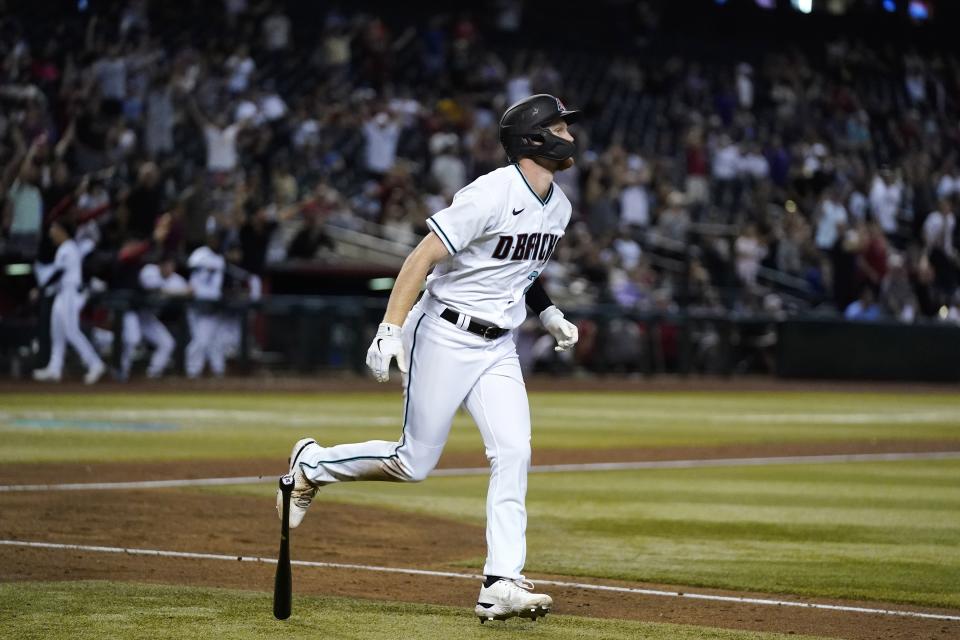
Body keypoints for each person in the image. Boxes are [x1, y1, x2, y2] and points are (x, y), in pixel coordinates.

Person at [278, 95, 582, 623]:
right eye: (561, 126)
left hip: (498, 346)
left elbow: (518, 270)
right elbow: (422, 257)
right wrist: (390, 329)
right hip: (443, 333)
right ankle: (312, 464)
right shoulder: (489, 193)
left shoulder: (559, 206)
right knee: (413, 463)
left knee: (514, 452)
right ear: (536, 138)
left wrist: (549, 311)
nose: (571, 135)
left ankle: (501, 582)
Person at [32, 220, 106, 384]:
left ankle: (95, 363)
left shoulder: (69, 248)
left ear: (62, 230)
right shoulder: (63, 248)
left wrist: (41, 288)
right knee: (57, 332)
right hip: (61, 293)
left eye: (54, 229)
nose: (52, 233)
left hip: (70, 293)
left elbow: (58, 273)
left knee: (71, 331)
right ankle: (54, 368)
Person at [120, 257, 190, 380]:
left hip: (148, 317)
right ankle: (121, 372)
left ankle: (153, 374)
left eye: (171, 265)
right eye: (166, 265)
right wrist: (176, 292)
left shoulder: (175, 279)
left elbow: (190, 291)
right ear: (159, 265)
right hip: (134, 312)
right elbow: (153, 288)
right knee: (133, 340)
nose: (169, 268)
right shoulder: (149, 271)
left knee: (167, 343)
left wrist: (175, 291)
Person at [185, 236, 226, 378]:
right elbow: (189, 267)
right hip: (196, 303)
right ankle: (193, 372)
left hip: (212, 305)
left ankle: (217, 371)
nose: (214, 241)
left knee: (214, 340)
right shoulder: (200, 253)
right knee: (201, 340)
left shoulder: (221, 259)